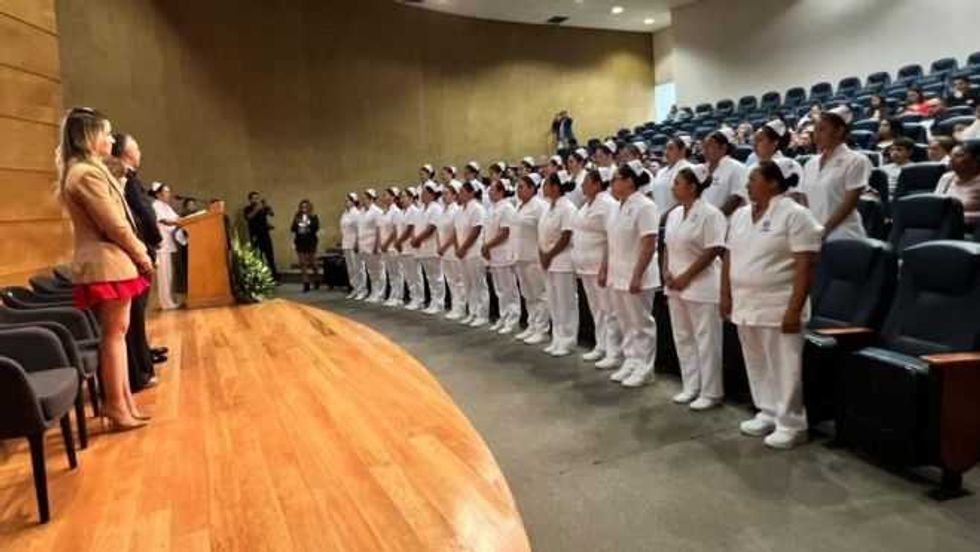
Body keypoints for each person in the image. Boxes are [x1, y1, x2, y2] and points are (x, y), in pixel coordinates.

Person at [58, 107, 151, 431]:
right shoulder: (85, 173)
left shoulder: (88, 170)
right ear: (89, 136)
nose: (111, 139)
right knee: (113, 337)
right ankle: (116, 405)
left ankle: (125, 402)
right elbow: (114, 224)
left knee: (118, 336)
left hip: (110, 261)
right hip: (106, 262)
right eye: (107, 133)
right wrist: (142, 254)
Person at [722, 159, 823, 449]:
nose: (748, 184)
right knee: (756, 361)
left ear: (774, 183)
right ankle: (766, 410)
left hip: (779, 303)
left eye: (754, 178)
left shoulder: (795, 214)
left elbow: (806, 264)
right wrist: (726, 293)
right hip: (745, 300)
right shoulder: (741, 215)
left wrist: (794, 308)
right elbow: (730, 256)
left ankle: (791, 422)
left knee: (784, 365)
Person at [663, 166, 727, 410]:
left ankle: (711, 391)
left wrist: (687, 276)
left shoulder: (711, 214)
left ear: (692, 187)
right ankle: (691, 385)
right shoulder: (674, 214)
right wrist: (667, 271)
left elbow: (713, 249)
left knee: (706, 339)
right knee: (683, 337)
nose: (673, 187)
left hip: (702, 285)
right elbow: (668, 245)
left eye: (678, 182)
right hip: (675, 284)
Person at [600, 160, 661, 387]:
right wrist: (606, 268)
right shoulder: (617, 207)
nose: (612, 183)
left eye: (616, 179)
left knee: (641, 322)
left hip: (638, 275)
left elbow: (648, 243)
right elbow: (610, 241)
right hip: (618, 273)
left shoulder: (645, 206)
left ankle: (645, 366)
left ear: (629, 182)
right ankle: (631, 360)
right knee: (626, 321)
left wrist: (637, 274)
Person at [111, 133, 162, 389]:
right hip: (135, 252)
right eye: (137, 148)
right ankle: (138, 373)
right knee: (134, 317)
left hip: (137, 252)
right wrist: (156, 240)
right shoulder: (127, 180)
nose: (140, 152)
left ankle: (143, 364)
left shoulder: (128, 180)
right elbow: (142, 214)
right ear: (126, 154)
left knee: (137, 317)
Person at [572, 168, 621, 368]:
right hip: (586, 265)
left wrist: (605, 266)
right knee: (597, 309)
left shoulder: (607, 204)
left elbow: (611, 237)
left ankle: (615, 350)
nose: (582, 186)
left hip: (600, 264)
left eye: (586, 182)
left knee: (609, 310)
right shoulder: (586, 205)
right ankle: (601, 345)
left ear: (597, 184)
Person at [801, 106, 871, 241]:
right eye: (815, 130)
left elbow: (848, 204)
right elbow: (805, 200)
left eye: (822, 129)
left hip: (843, 235)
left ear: (839, 131)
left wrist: (824, 231)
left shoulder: (855, 160)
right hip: (814, 235)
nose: (816, 134)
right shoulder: (810, 163)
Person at [538, 170, 579, 357]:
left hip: (562, 260)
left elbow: (566, 235)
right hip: (548, 260)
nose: (544, 187)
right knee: (553, 300)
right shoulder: (548, 207)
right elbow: (542, 233)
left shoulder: (568, 208)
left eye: (547, 184)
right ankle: (557, 336)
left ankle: (568, 339)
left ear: (555, 187)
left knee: (565, 301)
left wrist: (549, 254)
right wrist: (543, 253)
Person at [512, 174, 551, 345]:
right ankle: (532, 324)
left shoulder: (540, 206)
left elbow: (543, 231)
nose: (518, 190)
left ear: (532, 188)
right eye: (517, 187)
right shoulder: (520, 206)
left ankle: (542, 329)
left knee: (540, 294)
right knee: (528, 294)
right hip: (521, 256)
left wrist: (543, 254)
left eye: (521, 187)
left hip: (534, 256)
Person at [482, 179, 521, 334]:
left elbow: (505, 232)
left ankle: (513, 318)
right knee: (500, 289)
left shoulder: (507, 208)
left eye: (492, 189)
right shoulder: (492, 208)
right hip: (494, 255)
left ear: (500, 191)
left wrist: (488, 245)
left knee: (509, 288)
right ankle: (503, 315)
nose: (489, 192)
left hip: (504, 253)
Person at [455, 180, 489, 327]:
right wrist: (458, 247)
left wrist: (463, 247)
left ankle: (482, 314)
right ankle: (473, 311)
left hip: (474, 251)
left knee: (478, 284)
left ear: (471, 193)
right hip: (463, 252)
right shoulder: (460, 210)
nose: (460, 195)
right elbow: (457, 231)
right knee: (468, 284)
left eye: (462, 192)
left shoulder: (477, 209)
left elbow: (476, 230)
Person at [411, 181, 445, 314]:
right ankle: (433, 301)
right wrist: (415, 239)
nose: (422, 195)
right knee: (430, 278)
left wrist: (418, 239)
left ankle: (439, 302)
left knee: (437, 277)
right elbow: (416, 227)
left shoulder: (435, 208)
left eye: (425, 193)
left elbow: (431, 228)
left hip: (431, 247)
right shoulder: (421, 210)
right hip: (422, 248)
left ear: (432, 195)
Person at [700, 130, 749, 215]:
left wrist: (716, 219)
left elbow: (736, 198)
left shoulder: (737, 167)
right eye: (704, 145)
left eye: (709, 145)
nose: (705, 149)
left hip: (727, 222)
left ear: (723, 148)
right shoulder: (701, 169)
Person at [934, 140, 980, 229]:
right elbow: (935, 205)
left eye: (958, 155)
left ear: (977, 159)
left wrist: (957, 217)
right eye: (951, 155)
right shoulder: (946, 178)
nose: (951, 159)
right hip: (942, 228)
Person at [149, 182, 181, 309]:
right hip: (162, 245)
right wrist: (178, 221)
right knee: (164, 276)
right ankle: (165, 303)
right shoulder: (156, 205)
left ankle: (169, 301)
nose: (169, 194)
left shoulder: (166, 206)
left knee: (169, 275)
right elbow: (165, 221)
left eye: (169, 191)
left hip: (168, 243)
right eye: (166, 192)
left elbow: (177, 218)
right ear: (158, 194)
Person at [438, 181, 466, 320]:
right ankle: (455, 306)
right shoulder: (443, 210)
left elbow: (455, 232)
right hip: (444, 251)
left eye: (447, 194)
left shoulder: (456, 210)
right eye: (443, 194)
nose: (444, 196)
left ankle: (460, 308)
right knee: (451, 280)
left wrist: (445, 246)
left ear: (455, 195)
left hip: (452, 249)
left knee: (458, 280)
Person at [398, 187, 424, 310]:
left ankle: (419, 299)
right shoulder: (403, 211)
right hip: (403, 247)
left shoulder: (414, 211)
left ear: (411, 198)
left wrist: (399, 241)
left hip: (411, 247)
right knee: (408, 275)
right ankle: (414, 297)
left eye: (404, 197)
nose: (401, 199)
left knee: (415, 275)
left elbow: (410, 229)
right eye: (401, 197)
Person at [651, 137, 693, 212]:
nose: (666, 152)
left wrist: (667, 216)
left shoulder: (689, 168)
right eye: (665, 149)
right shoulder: (661, 171)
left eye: (670, 149)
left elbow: (688, 197)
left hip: (678, 216)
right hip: (658, 215)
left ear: (682, 151)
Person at [357, 189, 385, 303]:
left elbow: (379, 229)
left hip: (373, 245)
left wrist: (377, 245)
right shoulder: (362, 211)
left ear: (371, 198)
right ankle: (374, 291)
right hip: (364, 245)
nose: (362, 200)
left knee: (379, 270)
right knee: (371, 271)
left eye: (364, 198)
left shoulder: (377, 211)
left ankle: (380, 293)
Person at [378, 187, 404, 307]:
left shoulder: (396, 212)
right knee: (391, 273)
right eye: (383, 195)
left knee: (397, 272)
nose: (384, 197)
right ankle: (393, 295)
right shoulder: (384, 212)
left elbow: (395, 231)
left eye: (386, 195)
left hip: (392, 246)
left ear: (393, 197)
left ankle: (398, 297)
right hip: (384, 246)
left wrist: (387, 243)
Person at [244, 191, 278, 280]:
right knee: (258, 257)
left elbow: (271, 214)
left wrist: (267, 206)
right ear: (250, 200)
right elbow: (248, 217)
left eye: (257, 198)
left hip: (265, 235)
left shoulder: (263, 208)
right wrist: (256, 209)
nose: (256, 200)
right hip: (255, 235)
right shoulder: (248, 208)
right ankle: (259, 278)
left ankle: (275, 277)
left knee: (270, 256)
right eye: (254, 198)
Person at [290, 199, 320, 292]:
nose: (304, 209)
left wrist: (307, 225)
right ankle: (305, 283)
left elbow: (316, 228)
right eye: (302, 207)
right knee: (302, 263)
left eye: (306, 207)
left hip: (310, 241)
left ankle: (316, 278)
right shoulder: (297, 216)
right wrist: (297, 223)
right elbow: (292, 228)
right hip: (300, 242)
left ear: (309, 208)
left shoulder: (313, 217)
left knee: (312, 262)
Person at [340, 192, 366, 299]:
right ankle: (355, 288)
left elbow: (360, 230)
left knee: (358, 268)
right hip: (346, 243)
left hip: (355, 244)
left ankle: (362, 290)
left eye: (348, 200)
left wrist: (357, 243)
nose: (346, 202)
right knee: (351, 269)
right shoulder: (345, 213)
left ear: (354, 201)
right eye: (345, 200)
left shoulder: (357, 213)